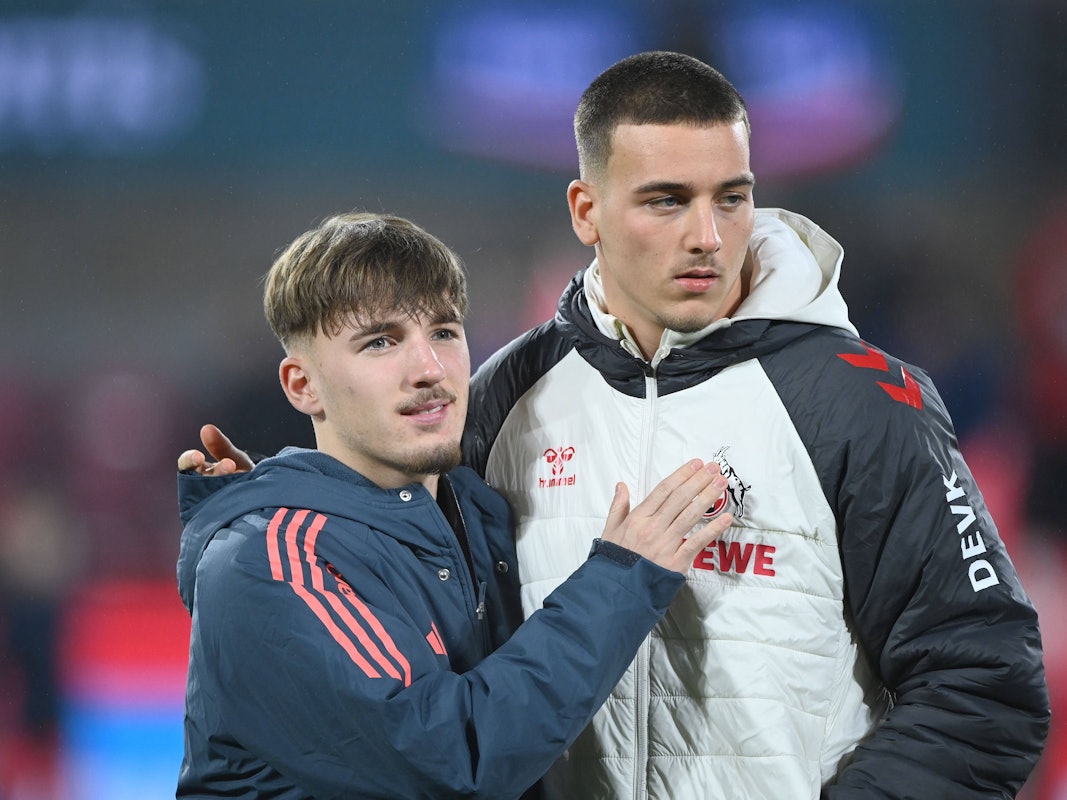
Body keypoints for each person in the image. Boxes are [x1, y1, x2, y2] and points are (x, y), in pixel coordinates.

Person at [187, 53, 1050, 798]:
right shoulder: (505, 396)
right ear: (585, 212)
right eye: (665, 201)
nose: (707, 237)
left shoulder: (859, 401)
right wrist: (272, 514)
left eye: (732, 197)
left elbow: (983, 686)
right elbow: (414, 606)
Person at [175, 211, 734, 799]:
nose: (430, 370)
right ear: (301, 385)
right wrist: (623, 580)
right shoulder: (268, 561)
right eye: (381, 342)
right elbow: (452, 762)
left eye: (443, 331)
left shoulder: (475, 508)